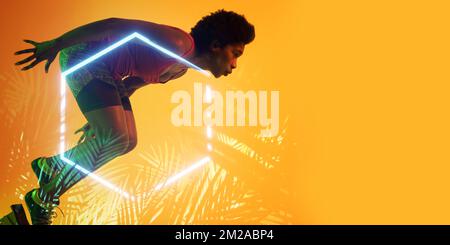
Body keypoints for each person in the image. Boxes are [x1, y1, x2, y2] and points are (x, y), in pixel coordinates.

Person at [14, 9, 255, 225]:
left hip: (109, 74)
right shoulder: (178, 42)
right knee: (117, 137)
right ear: (215, 45)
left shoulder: (179, 69)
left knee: (127, 140)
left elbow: (131, 85)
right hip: (85, 57)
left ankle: (52, 165)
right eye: (235, 53)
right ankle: (42, 198)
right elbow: (112, 25)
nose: (234, 64)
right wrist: (57, 44)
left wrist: (102, 116)